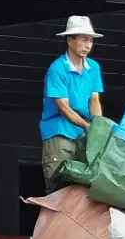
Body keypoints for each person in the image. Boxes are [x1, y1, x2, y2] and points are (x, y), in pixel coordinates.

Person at [41, 15, 105, 191]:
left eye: (91, 40)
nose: (88, 45)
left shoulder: (93, 67)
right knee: (58, 187)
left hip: (83, 134)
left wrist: (98, 126)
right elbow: (63, 107)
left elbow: (94, 100)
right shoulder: (58, 68)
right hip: (60, 133)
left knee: (82, 187)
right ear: (70, 40)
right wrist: (87, 126)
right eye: (84, 40)